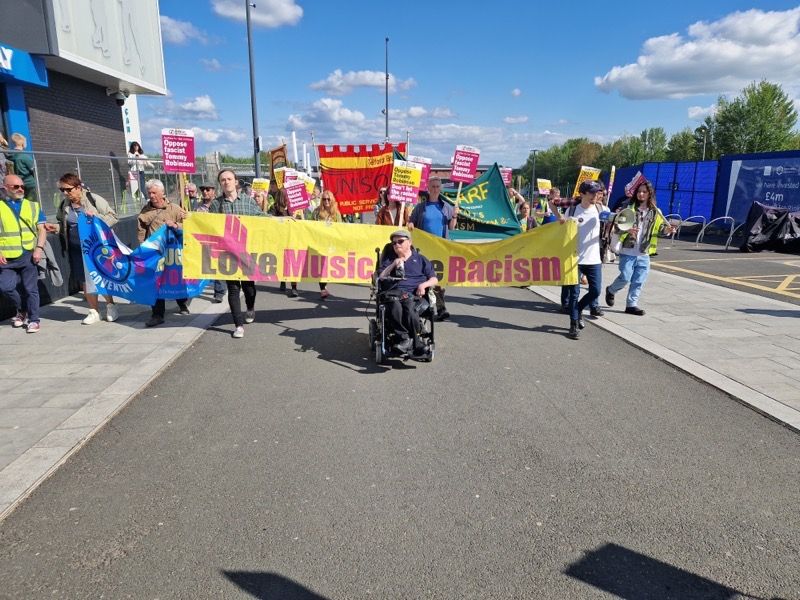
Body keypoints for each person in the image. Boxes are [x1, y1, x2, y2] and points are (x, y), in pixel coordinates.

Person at [55, 173, 119, 324]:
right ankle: (94, 311)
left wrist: (96, 220)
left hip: (95, 247)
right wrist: (55, 227)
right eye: (62, 190)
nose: (65, 193)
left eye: (68, 189)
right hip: (77, 249)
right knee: (85, 280)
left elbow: (113, 216)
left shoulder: (92, 199)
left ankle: (110, 306)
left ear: (78, 187)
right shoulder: (65, 205)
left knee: (100, 276)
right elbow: (62, 223)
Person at [605, 179, 675, 316]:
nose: (641, 194)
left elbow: (660, 229)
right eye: (639, 191)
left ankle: (631, 304)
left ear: (650, 194)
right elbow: (618, 228)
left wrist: (667, 230)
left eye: (644, 192)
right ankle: (611, 290)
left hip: (644, 251)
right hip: (627, 249)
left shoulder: (656, 212)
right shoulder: (628, 209)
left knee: (639, 280)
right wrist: (627, 230)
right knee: (625, 276)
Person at [210, 169, 265, 338]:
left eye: (229, 179)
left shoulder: (248, 202)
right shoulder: (216, 205)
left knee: (249, 289)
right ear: (220, 184)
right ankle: (238, 325)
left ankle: (250, 308)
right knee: (233, 290)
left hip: (247, 253)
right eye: (223, 180)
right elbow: (208, 225)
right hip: (228, 254)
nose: (226, 182)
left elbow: (263, 218)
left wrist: (282, 219)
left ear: (236, 181)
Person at [137, 179, 188, 327]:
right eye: (149, 193)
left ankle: (182, 303)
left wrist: (176, 225)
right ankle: (157, 315)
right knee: (156, 284)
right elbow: (141, 231)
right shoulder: (145, 212)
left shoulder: (174, 209)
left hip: (173, 253)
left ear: (162, 193)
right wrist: (142, 249)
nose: (151, 195)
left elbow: (188, 225)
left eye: (154, 192)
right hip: (154, 254)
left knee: (175, 278)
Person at [377, 229, 438, 354]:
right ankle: (407, 340)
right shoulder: (389, 259)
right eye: (394, 243)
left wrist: (423, 285)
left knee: (410, 308)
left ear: (409, 242)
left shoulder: (420, 259)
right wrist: (394, 264)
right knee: (395, 305)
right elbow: (381, 277)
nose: (396, 245)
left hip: (414, 294)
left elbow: (434, 279)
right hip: (393, 294)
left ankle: (409, 341)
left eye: (400, 241)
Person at [0, 174, 48, 333]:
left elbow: (42, 230)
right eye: (16, 187)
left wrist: (39, 249)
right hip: (6, 258)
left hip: (28, 255)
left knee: (30, 289)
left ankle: (34, 320)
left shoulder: (33, 206)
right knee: (6, 287)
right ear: (5, 187)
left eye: (22, 187)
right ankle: (22, 310)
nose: (20, 189)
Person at [408, 176, 458, 320]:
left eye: (437, 186)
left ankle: (441, 309)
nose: (435, 189)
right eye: (433, 186)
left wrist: (454, 216)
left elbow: (451, 227)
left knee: (439, 281)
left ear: (440, 188)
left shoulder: (446, 207)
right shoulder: (420, 208)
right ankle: (427, 308)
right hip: (423, 249)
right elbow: (411, 223)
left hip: (440, 249)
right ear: (428, 189)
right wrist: (410, 224)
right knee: (424, 278)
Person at [561, 180, 604, 340]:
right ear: (583, 194)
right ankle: (573, 325)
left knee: (596, 291)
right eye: (592, 192)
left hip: (594, 259)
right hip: (574, 259)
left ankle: (578, 310)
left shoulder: (601, 209)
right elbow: (563, 232)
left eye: (597, 192)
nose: (596, 195)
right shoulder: (572, 210)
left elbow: (616, 226)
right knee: (574, 293)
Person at [193, 181, 226, 303]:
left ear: (214, 191)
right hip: (203, 240)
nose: (205, 192)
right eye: (203, 190)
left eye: (208, 189)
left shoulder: (219, 204)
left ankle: (219, 292)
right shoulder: (198, 207)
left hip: (218, 240)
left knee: (218, 266)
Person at [269, 188, 301, 297]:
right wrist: (287, 218)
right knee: (283, 262)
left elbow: (301, 222)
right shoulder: (275, 208)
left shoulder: (295, 208)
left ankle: (294, 287)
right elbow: (270, 219)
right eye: (287, 196)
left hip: (293, 239)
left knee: (293, 263)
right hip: (281, 239)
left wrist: (298, 215)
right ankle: (282, 281)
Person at [310, 190, 342, 300]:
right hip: (320, 243)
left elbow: (340, 229)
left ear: (332, 200)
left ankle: (325, 284)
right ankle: (323, 288)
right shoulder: (316, 212)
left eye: (328, 199)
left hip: (332, 244)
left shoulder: (336, 213)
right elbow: (310, 226)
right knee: (321, 267)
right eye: (324, 199)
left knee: (328, 267)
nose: (326, 201)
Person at [0, 133, 37, 201]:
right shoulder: (24, 156)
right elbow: (35, 171)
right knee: (32, 204)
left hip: (15, 185)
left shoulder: (9, 156)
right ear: (23, 144)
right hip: (29, 186)